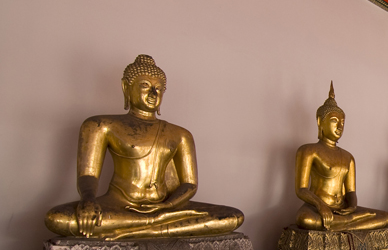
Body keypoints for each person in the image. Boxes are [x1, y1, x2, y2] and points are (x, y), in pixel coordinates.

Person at [45, 55, 244, 239]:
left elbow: (189, 184)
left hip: (167, 208)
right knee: (58, 218)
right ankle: (155, 227)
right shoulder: (101, 125)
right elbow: (88, 175)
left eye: (158, 88)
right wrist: (88, 201)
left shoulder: (180, 134)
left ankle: (140, 230)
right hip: (120, 205)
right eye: (145, 86)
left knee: (233, 216)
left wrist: (166, 207)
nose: (153, 93)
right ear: (126, 88)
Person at [295, 83, 388, 231]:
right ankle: (345, 223)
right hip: (317, 209)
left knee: (385, 216)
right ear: (320, 122)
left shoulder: (348, 157)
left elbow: (351, 192)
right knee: (305, 219)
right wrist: (321, 206)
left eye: (342, 122)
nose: (340, 126)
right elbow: (301, 189)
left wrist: (352, 207)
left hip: (343, 210)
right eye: (334, 120)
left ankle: (341, 222)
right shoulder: (309, 150)